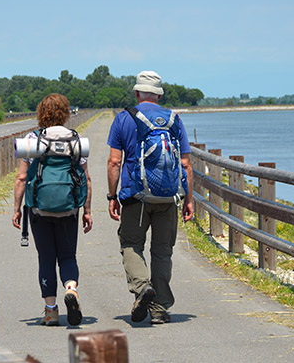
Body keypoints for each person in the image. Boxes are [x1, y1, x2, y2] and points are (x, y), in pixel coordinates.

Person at [106, 70, 193, 324]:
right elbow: (186, 164)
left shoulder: (124, 118)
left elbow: (114, 162)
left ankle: (143, 287)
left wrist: (112, 196)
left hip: (135, 196)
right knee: (163, 250)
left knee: (131, 244)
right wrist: (188, 199)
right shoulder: (174, 119)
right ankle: (159, 308)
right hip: (168, 196)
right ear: (158, 94)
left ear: (136, 93)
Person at [12, 93, 93, 326]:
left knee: (46, 258)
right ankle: (71, 289)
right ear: (65, 113)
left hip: (39, 210)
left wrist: (17, 209)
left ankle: (51, 311)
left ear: (41, 112)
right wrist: (86, 211)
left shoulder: (31, 140)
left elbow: (21, 177)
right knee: (68, 256)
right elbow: (86, 180)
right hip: (69, 209)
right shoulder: (77, 141)